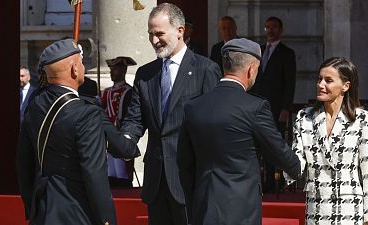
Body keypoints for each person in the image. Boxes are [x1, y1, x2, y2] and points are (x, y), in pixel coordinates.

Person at [177, 38, 301, 225]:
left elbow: (184, 163)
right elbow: (279, 152)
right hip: (240, 208)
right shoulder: (255, 107)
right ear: (251, 69)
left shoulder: (193, 106)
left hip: (202, 205)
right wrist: (298, 166)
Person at [119, 3, 221, 225]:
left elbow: (214, 127)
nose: (154, 40)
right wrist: (125, 139)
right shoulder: (145, 74)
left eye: (159, 34)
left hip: (190, 180)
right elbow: (135, 119)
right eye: (150, 34)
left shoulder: (206, 70)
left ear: (180, 31)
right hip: (156, 181)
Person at [17, 39, 124, 225]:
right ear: (74, 68)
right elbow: (95, 175)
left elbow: (23, 164)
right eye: (82, 62)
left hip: (41, 212)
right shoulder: (86, 114)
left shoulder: (34, 105)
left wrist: (32, 207)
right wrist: (107, 221)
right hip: (77, 213)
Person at [284, 57, 368, 224]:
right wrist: (278, 152)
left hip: (350, 210)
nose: (320, 84)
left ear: (345, 86)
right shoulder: (304, 117)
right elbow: (296, 165)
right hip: (317, 209)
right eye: (319, 79)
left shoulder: (362, 119)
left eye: (328, 80)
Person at [249, 16, 296, 192]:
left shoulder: (287, 53)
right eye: (267, 27)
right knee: (257, 143)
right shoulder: (259, 51)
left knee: (273, 144)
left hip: (276, 108)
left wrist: (286, 107)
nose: (270, 30)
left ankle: (274, 181)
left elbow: (290, 83)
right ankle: (259, 181)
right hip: (257, 105)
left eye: (274, 27)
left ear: (280, 30)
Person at [102, 56, 137, 188]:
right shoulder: (107, 92)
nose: (112, 72)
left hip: (121, 136)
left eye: (115, 69)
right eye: (111, 69)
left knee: (123, 174)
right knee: (111, 172)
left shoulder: (129, 92)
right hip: (109, 137)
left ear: (123, 71)